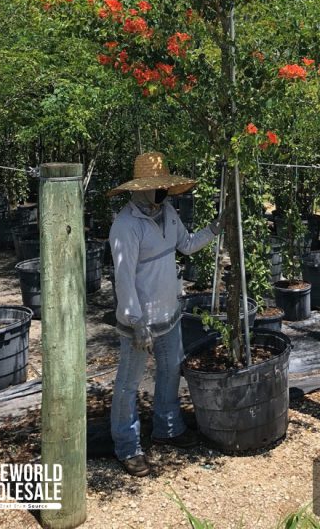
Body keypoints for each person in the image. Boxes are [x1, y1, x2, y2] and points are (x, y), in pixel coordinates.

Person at [107, 151, 223, 476]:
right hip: (139, 322)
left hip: (169, 313)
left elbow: (185, 244)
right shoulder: (126, 226)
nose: (162, 193)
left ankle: (168, 428)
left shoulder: (168, 213)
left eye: (164, 187)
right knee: (128, 384)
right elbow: (124, 277)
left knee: (171, 370)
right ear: (139, 189)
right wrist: (135, 320)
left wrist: (213, 229)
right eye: (156, 187)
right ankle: (127, 447)